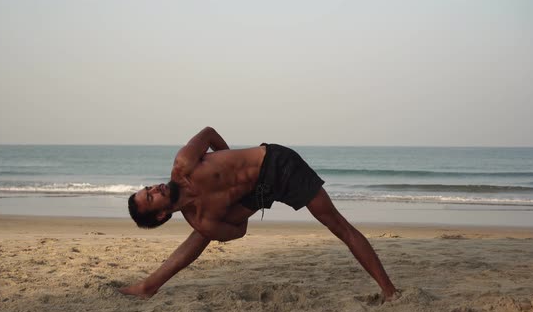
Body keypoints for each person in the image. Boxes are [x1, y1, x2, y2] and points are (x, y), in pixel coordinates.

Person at [119, 127, 398, 301]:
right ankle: (148, 287)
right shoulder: (203, 220)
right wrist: (249, 201)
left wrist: (227, 161)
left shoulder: (184, 163)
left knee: (338, 226)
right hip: (257, 195)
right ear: (160, 216)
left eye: (148, 188)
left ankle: (389, 291)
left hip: (278, 164)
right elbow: (239, 231)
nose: (154, 188)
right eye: (150, 197)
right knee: (203, 232)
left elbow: (209, 132)